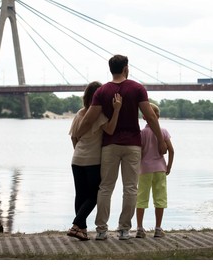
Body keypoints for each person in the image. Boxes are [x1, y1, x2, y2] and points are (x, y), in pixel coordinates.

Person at [76, 54, 167, 240]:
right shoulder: (137, 88)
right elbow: (150, 116)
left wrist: (78, 138)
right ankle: (124, 229)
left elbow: (88, 120)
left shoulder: (101, 92)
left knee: (105, 187)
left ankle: (101, 230)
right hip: (132, 145)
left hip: (109, 146)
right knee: (131, 188)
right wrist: (161, 140)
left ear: (111, 69)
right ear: (126, 68)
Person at [67, 81, 122, 241]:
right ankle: (76, 224)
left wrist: (79, 152)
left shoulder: (79, 113)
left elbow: (73, 137)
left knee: (80, 195)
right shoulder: (99, 115)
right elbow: (110, 129)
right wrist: (117, 110)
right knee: (94, 195)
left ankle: (81, 231)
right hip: (93, 161)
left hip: (76, 159)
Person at [136, 103, 174, 238]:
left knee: (141, 199)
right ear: (158, 116)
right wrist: (168, 166)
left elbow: (139, 153)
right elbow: (171, 150)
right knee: (160, 198)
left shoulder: (142, 133)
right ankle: (158, 229)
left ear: (144, 117)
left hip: (144, 170)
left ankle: (140, 229)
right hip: (160, 170)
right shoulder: (163, 131)